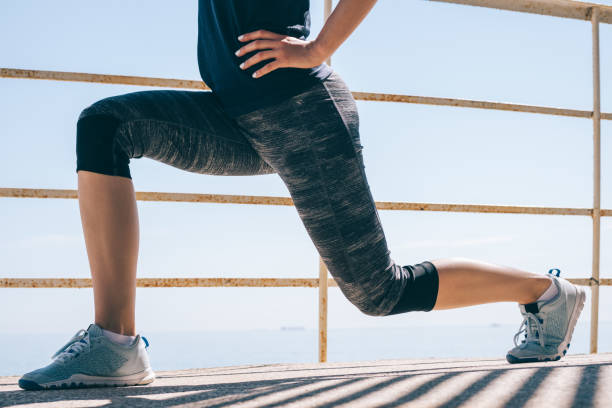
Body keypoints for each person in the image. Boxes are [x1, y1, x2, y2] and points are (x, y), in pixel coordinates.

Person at [19, 0, 586, 390]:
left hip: (302, 114)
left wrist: (318, 48)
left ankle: (547, 292)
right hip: (235, 115)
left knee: (378, 291)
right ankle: (115, 344)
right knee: (106, 125)